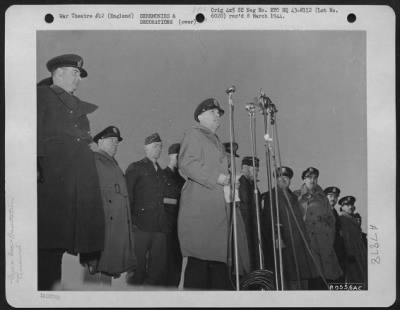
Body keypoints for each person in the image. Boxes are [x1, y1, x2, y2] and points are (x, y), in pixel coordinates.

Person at [37, 54, 105, 290]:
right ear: (57, 74)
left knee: (56, 251)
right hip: (51, 185)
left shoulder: (78, 109)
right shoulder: (42, 96)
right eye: (74, 73)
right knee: (45, 251)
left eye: (79, 74)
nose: (78, 79)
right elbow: (31, 135)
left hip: (73, 188)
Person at [178, 98, 233, 290]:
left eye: (219, 113)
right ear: (200, 116)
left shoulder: (214, 140)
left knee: (216, 268)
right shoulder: (194, 134)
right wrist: (217, 177)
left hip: (215, 211)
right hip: (201, 212)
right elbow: (186, 163)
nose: (217, 115)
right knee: (200, 266)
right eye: (213, 112)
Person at [91, 126, 136, 279]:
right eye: (111, 140)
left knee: (108, 270)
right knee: (98, 270)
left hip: (115, 225)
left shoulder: (112, 163)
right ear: (100, 141)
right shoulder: (95, 160)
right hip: (103, 225)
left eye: (116, 142)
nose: (115, 144)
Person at [263, 167, 318, 290]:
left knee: (302, 277)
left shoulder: (293, 196)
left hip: (298, 244)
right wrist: (277, 238)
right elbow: (269, 220)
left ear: (290, 180)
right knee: (287, 277)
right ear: (276, 179)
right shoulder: (271, 196)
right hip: (284, 244)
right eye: (280, 177)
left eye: (286, 177)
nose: (283, 180)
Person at [125, 133, 168, 286]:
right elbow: (128, 195)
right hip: (141, 225)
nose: (159, 149)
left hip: (159, 226)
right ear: (146, 148)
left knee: (157, 267)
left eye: (160, 146)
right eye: (155, 146)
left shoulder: (161, 172)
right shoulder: (136, 167)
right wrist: (130, 222)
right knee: (137, 266)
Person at [293, 167, 343, 289]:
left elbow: (332, 221)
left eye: (315, 177)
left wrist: (328, 239)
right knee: (308, 275)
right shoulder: (296, 196)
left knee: (324, 277)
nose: (312, 180)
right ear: (303, 179)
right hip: (305, 240)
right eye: (309, 177)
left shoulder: (323, 198)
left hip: (322, 242)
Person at [222, 142, 251, 279]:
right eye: (227, 156)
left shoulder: (233, 175)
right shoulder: (216, 174)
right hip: (224, 213)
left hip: (235, 210)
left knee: (239, 246)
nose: (229, 160)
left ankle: (238, 273)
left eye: (231, 157)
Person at [163, 143, 185, 286]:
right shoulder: (161, 176)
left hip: (178, 233)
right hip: (164, 232)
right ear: (171, 156)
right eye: (178, 156)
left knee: (175, 272)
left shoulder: (183, 181)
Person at [238, 156, 262, 271]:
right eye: (255, 169)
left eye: (257, 170)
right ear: (245, 168)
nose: (257, 172)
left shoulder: (252, 185)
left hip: (253, 231)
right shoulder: (241, 185)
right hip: (246, 231)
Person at [338, 196, 367, 289]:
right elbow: (345, 238)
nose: (350, 207)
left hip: (360, 253)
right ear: (342, 207)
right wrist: (350, 254)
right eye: (347, 205)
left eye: (351, 204)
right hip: (352, 256)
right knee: (354, 280)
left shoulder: (354, 218)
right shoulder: (342, 219)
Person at [324, 186, 346, 283]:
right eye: (330, 196)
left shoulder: (335, 213)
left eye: (336, 196)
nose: (333, 198)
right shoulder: (321, 212)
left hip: (337, 253)